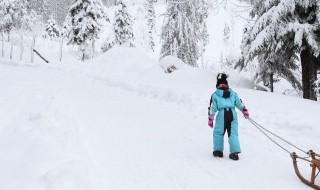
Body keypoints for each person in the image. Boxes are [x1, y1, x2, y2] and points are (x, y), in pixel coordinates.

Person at [208, 73, 249, 161]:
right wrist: (244, 110)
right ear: (226, 83)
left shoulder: (215, 95)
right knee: (233, 133)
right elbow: (239, 102)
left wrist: (211, 118)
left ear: (217, 84)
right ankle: (234, 153)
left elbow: (212, 107)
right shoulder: (233, 93)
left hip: (222, 114)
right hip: (232, 114)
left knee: (218, 132)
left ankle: (218, 151)